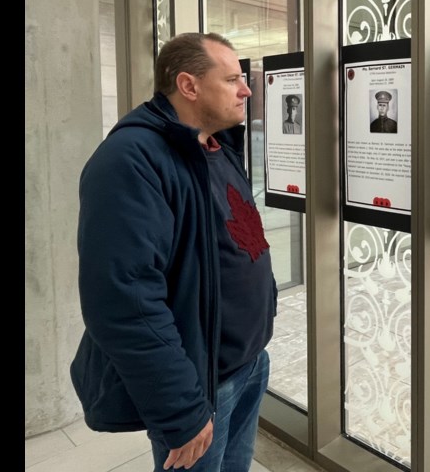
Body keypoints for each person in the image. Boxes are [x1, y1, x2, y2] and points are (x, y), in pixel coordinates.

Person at [71, 32, 277, 472]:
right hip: (200, 386)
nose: (247, 90)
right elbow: (123, 300)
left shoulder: (217, 145)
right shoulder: (130, 161)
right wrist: (181, 408)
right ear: (189, 85)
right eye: (233, 79)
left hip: (248, 364)